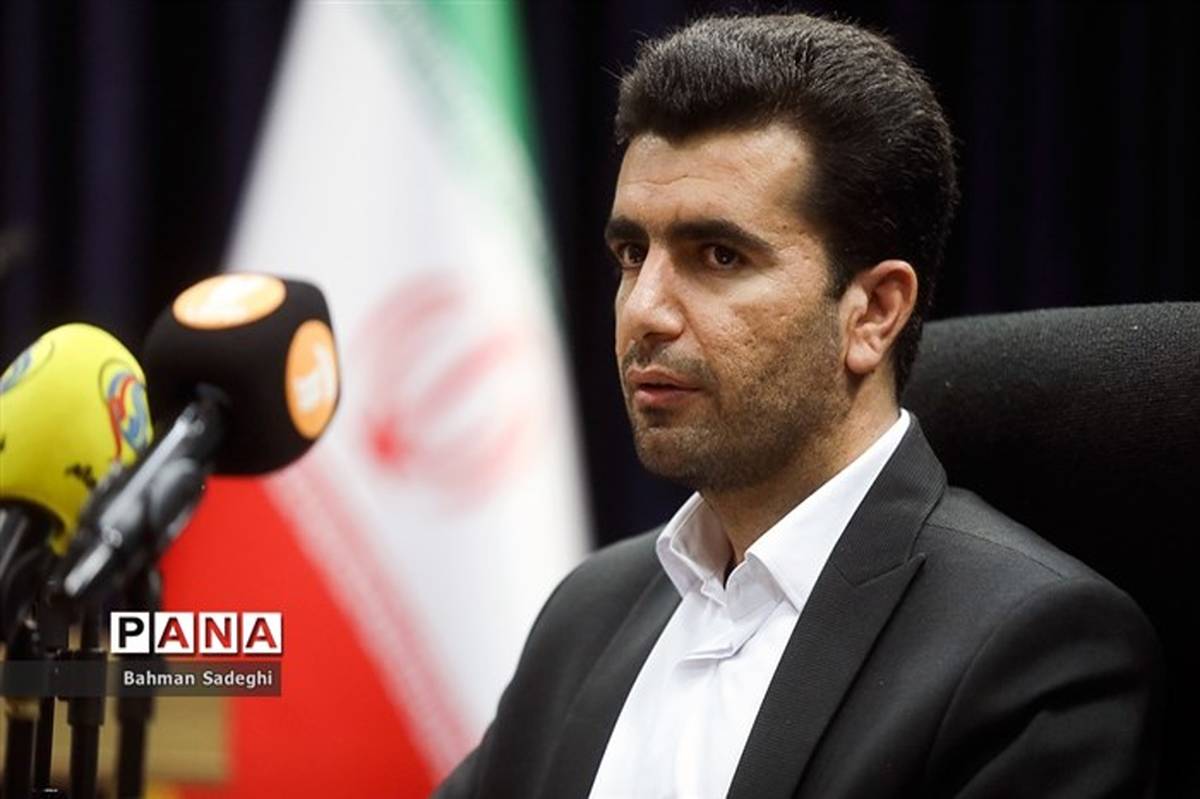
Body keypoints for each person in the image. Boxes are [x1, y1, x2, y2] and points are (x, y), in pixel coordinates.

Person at [435, 12, 1161, 798]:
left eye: (719, 256)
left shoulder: (1032, 652)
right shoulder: (588, 611)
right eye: (632, 253)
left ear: (874, 311)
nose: (644, 310)